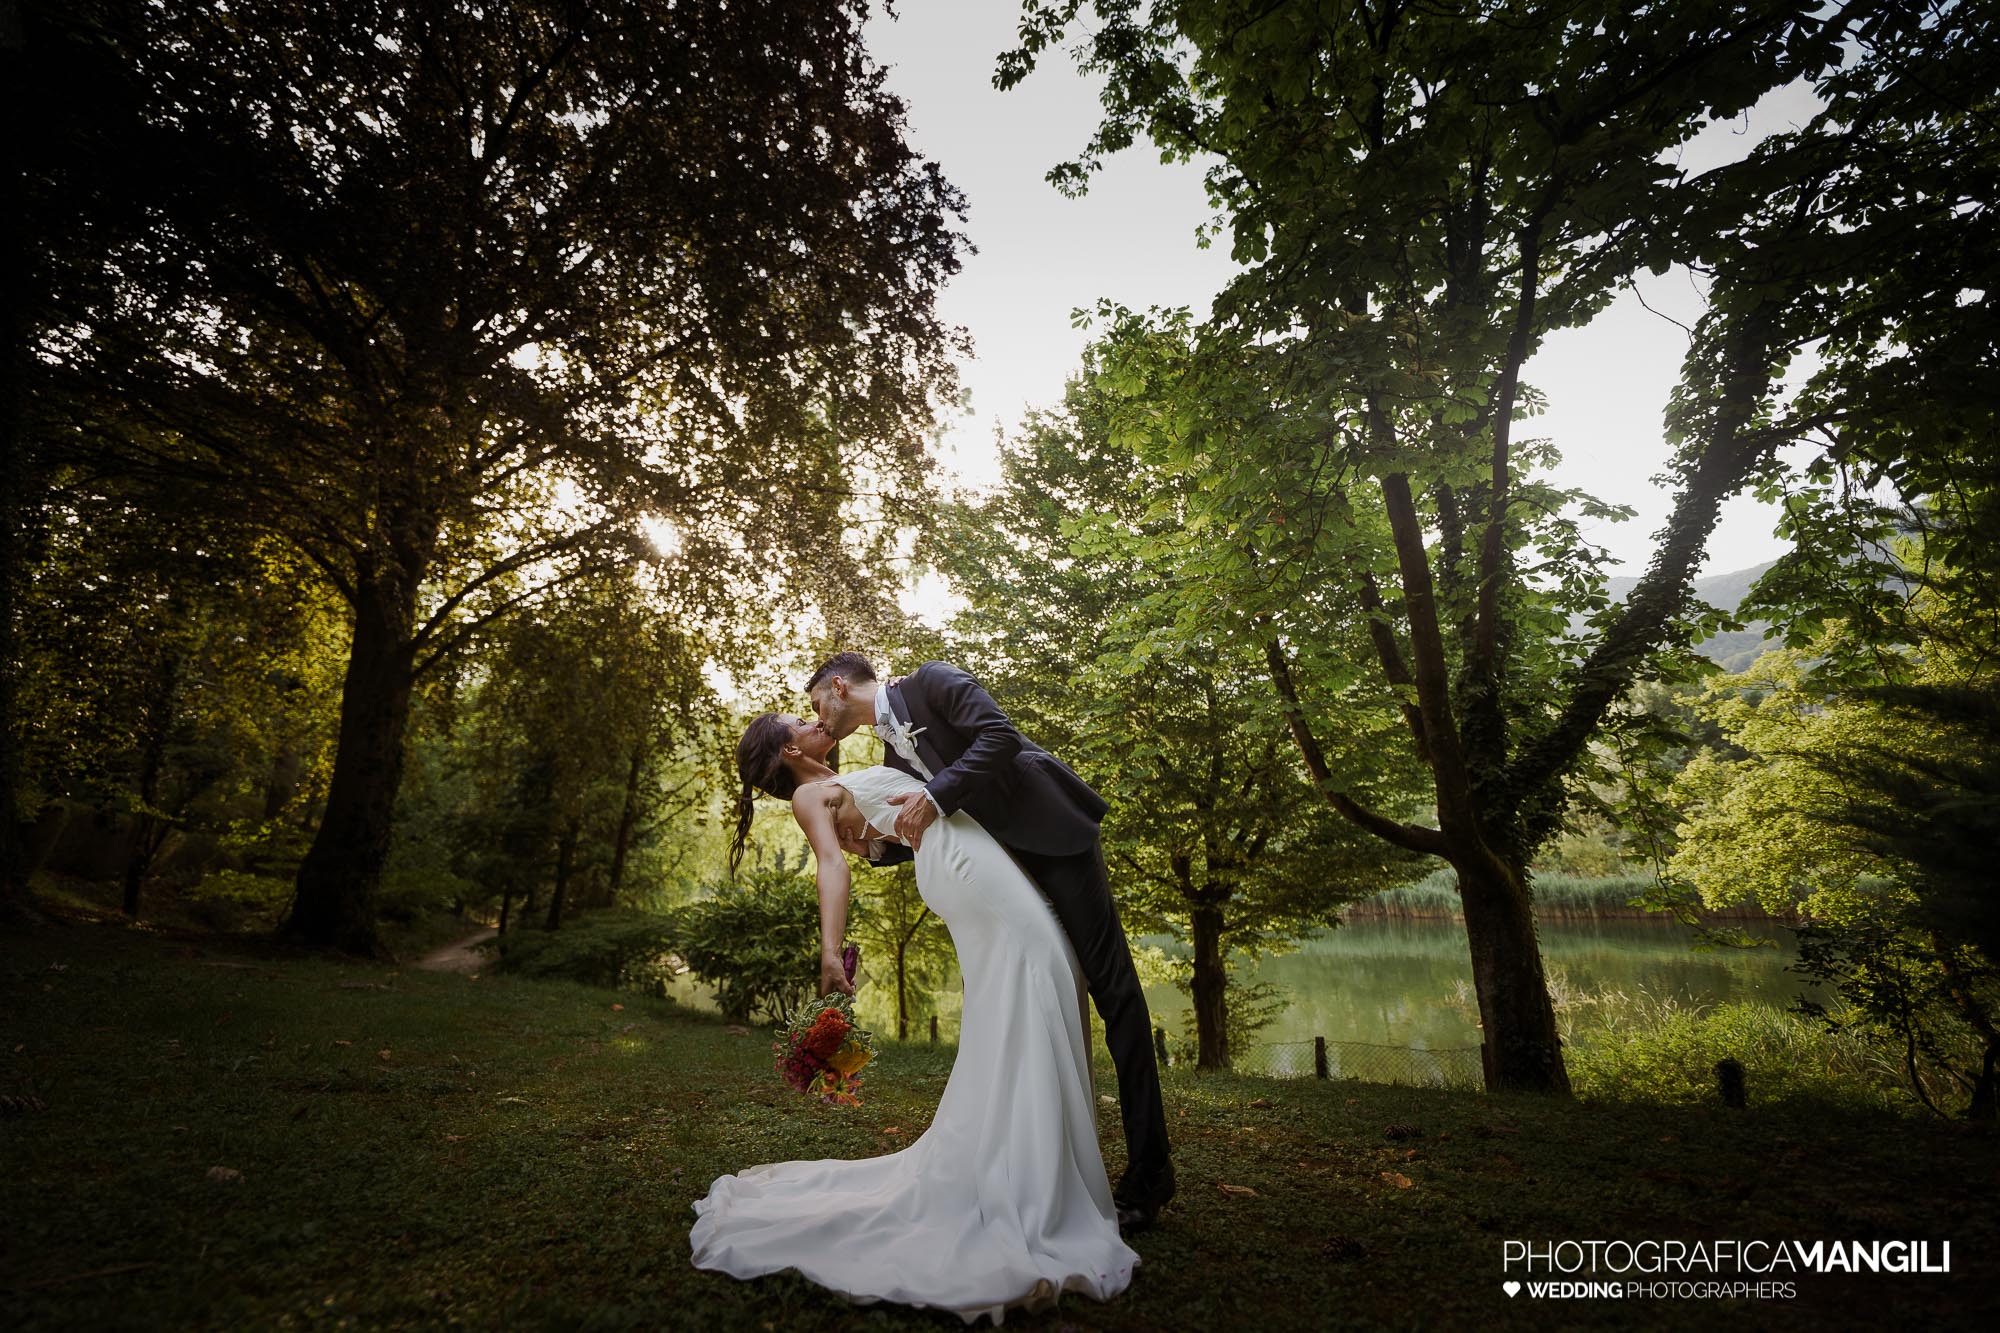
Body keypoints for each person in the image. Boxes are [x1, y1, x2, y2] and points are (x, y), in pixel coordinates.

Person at [689, 710, 1138, 1322]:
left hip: (961, 857)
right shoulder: (808, 796)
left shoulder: (837, 782)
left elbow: (884, 831)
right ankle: (1026, 1178)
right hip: (963, 870)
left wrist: (875, 837)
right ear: (791, 747)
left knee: (1043, 973)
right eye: (801, 718)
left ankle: (1026, 1163)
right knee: (1041, 967)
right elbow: (831, 865)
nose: (814, 718)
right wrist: (829, 952)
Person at [807, 654, 1175, 1228]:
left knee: (1116, 994)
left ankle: (1150, 1177)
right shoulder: (886, 753)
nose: (820, 722)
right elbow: (934, 824)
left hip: (1055, 838)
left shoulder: (932, 681)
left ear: (838, 686)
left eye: (816, 707)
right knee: (1056, 994)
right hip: (1008, 873)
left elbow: (999, 737)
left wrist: (935, 795)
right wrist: (879, 848)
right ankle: (1065, 1161)